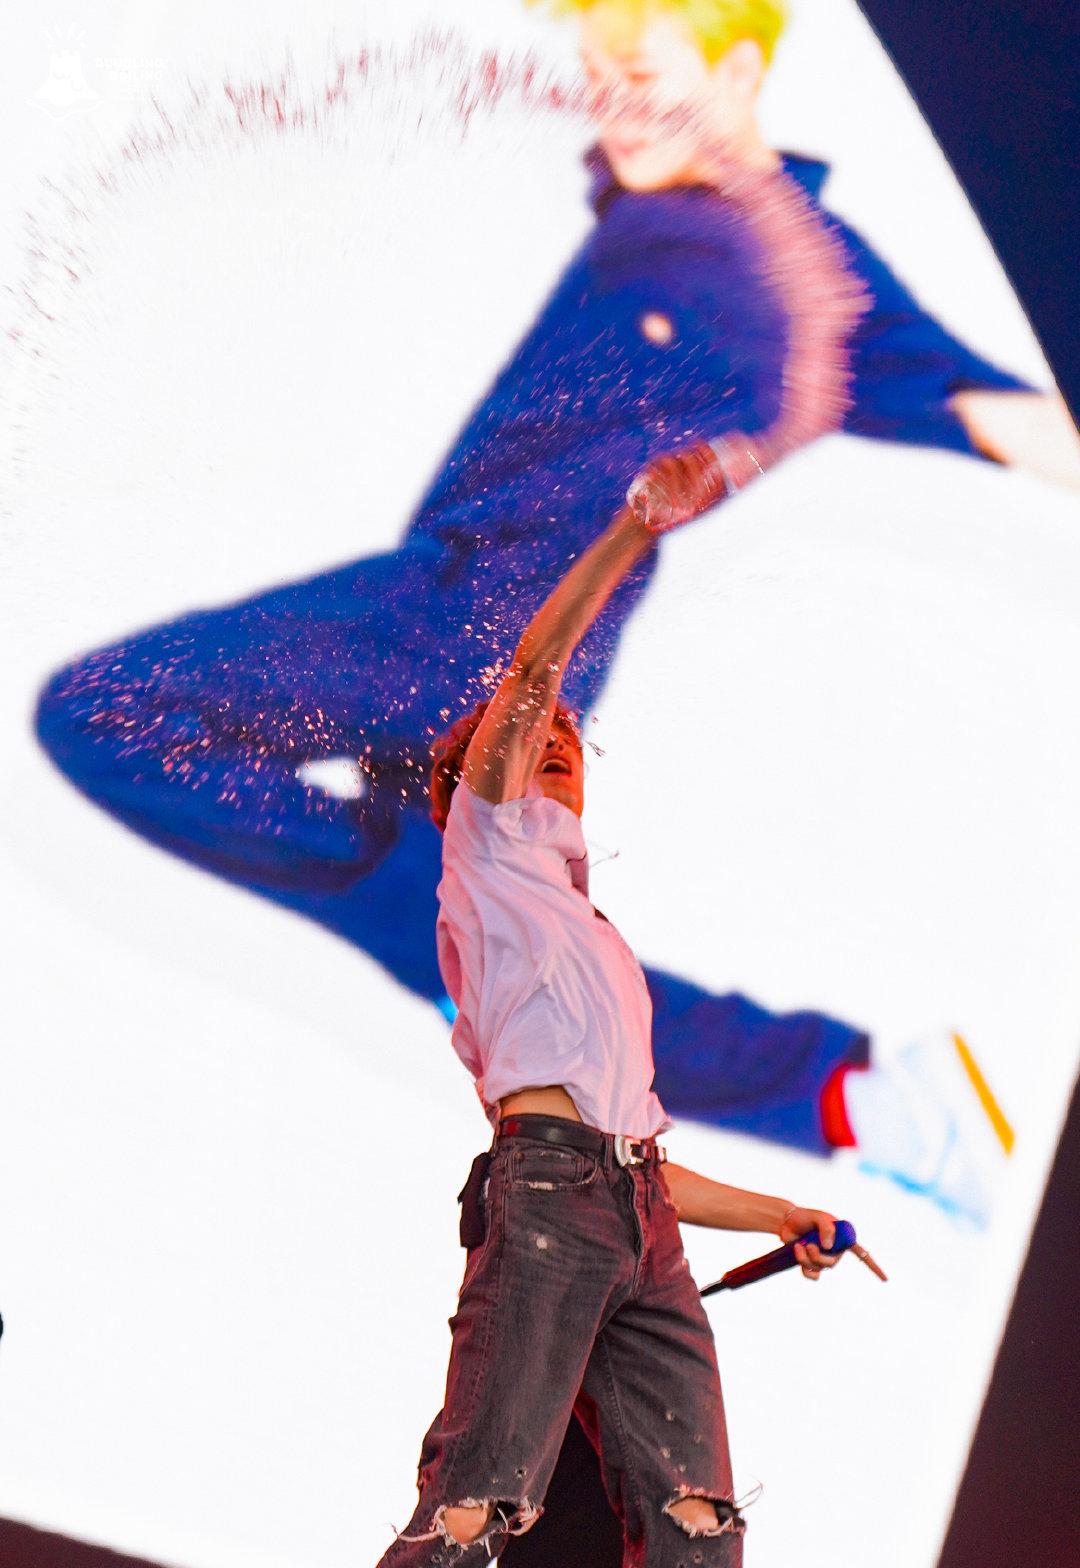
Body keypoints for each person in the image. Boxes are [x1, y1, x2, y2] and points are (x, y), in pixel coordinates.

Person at [34, 0, 1037, 1223]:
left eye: (643, 69)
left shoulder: (796, 268)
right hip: (484, 627)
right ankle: (861, 1096)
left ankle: (853, 1090)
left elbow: (1006, 416)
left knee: (106, 714)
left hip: (468, 626)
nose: (614, 99)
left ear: (737, 71)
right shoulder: (659, 218)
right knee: (509, 971)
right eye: (598, 71)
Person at [380, 465, 844, 1564]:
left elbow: (636, 1161)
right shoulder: (488, 848)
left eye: (566, 740)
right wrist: (637, 526)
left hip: (634, 1215)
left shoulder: (588, 930)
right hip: (547, 1198)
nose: (550, 738)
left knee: (697, 1523)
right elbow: (535, 670)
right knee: (472, 1510)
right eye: (520, 737)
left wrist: (779, 1211)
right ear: (460, 790)